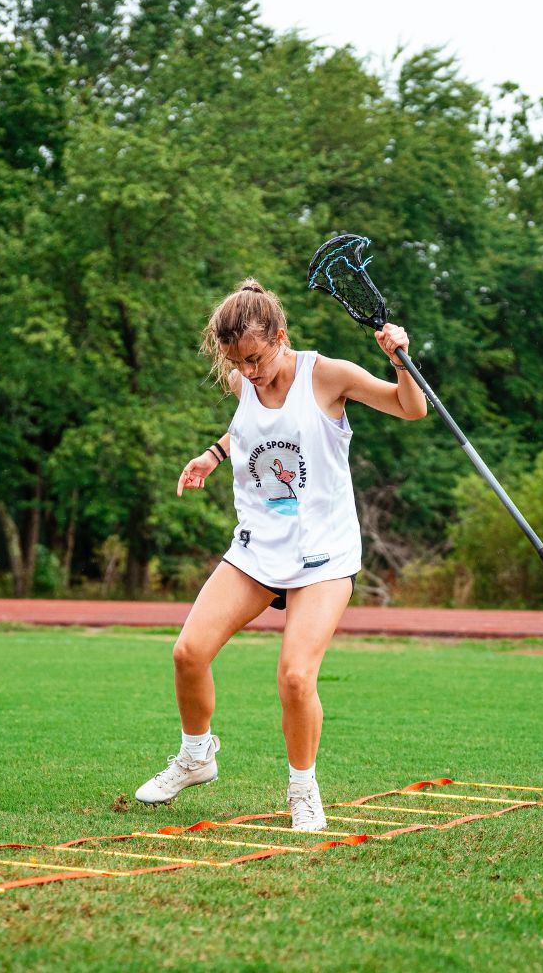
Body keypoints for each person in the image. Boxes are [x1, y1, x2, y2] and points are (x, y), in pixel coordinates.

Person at [134, 277, 427, 830]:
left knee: (295, 677)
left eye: (255, 358)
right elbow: (248, 428)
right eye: (237, 362)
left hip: (323, 555)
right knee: (188, 653)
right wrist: (213, 456)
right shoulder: (247, 380)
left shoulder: (327, 375)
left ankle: (303, 790)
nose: (247, 372)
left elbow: (410, 409)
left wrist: (401, 362)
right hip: (258, 546)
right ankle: (197, 756)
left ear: (281, 336)